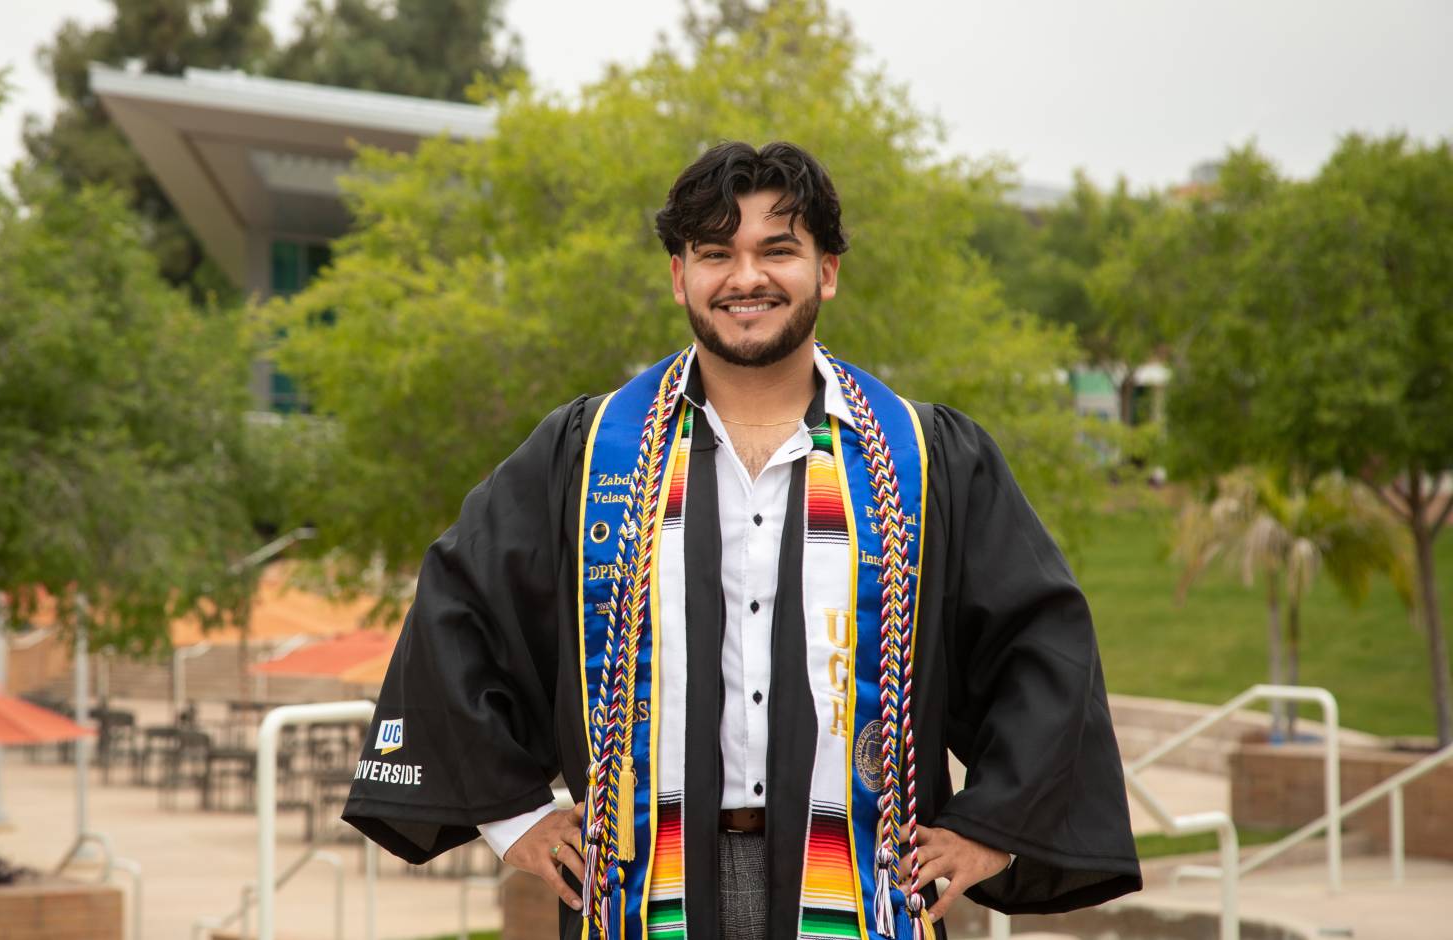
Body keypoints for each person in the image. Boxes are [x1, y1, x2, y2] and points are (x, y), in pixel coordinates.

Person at [343, 141, 1141, 939]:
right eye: (715, 253)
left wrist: (990, 829)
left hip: (859, 885)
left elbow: (1041, 641)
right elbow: (461, 604)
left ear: (826, 271)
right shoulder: (590, 453)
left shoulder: (921, 455)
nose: (745, 278)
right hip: (643, 886)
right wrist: (514, 818)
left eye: (777, 250)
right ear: (679, 275)